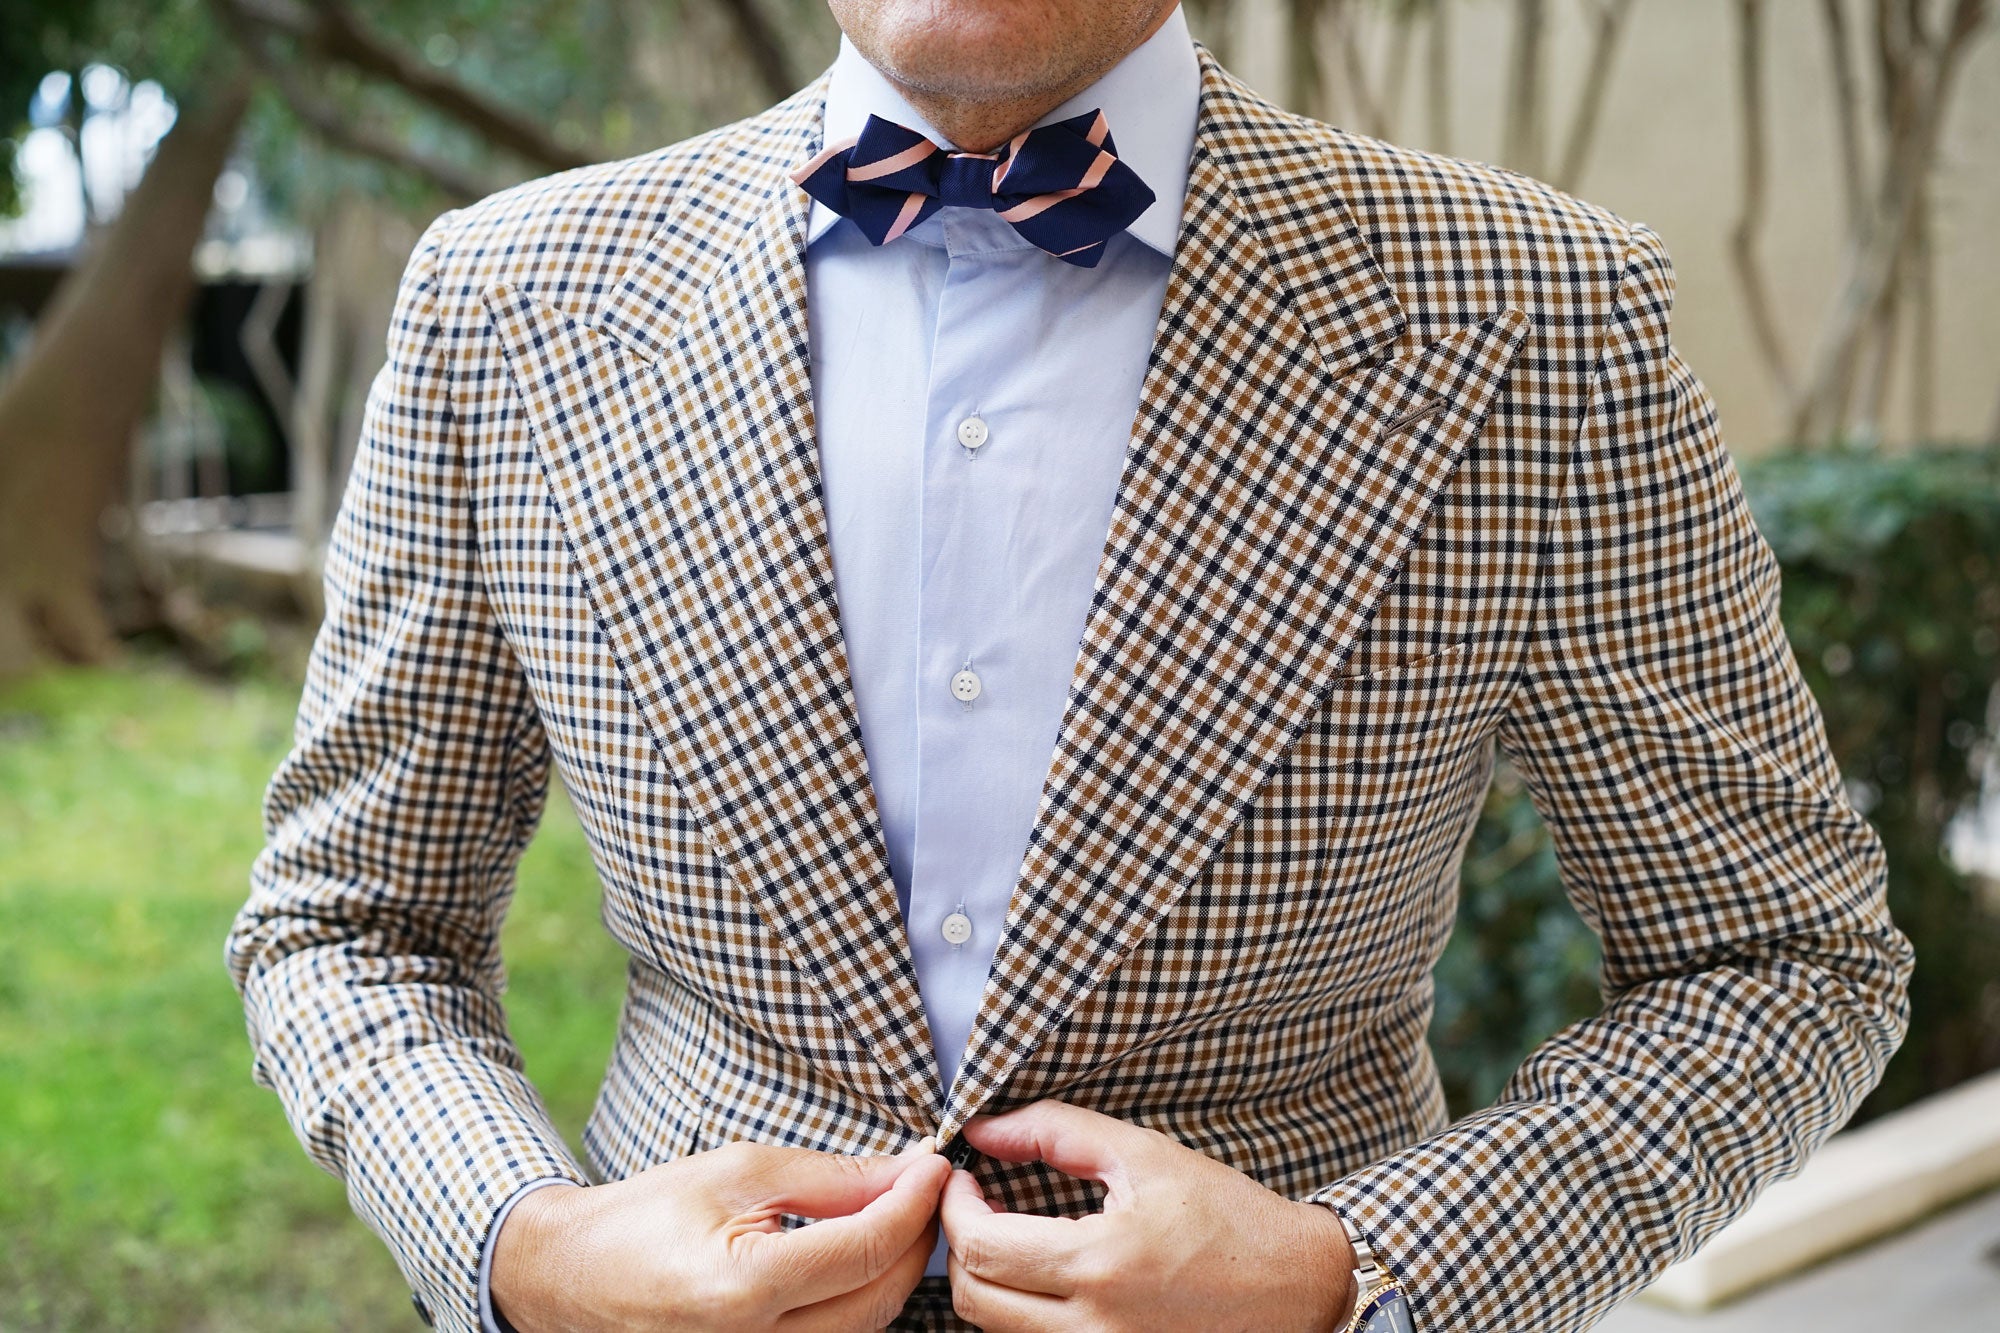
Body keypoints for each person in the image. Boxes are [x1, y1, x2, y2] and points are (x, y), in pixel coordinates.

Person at [226, 2, 1914, 1330]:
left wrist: (1361, 1272)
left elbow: (1783, 957)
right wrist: (526, 1244)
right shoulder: (509, 306)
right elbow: (347, 924)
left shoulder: (1536, 319)